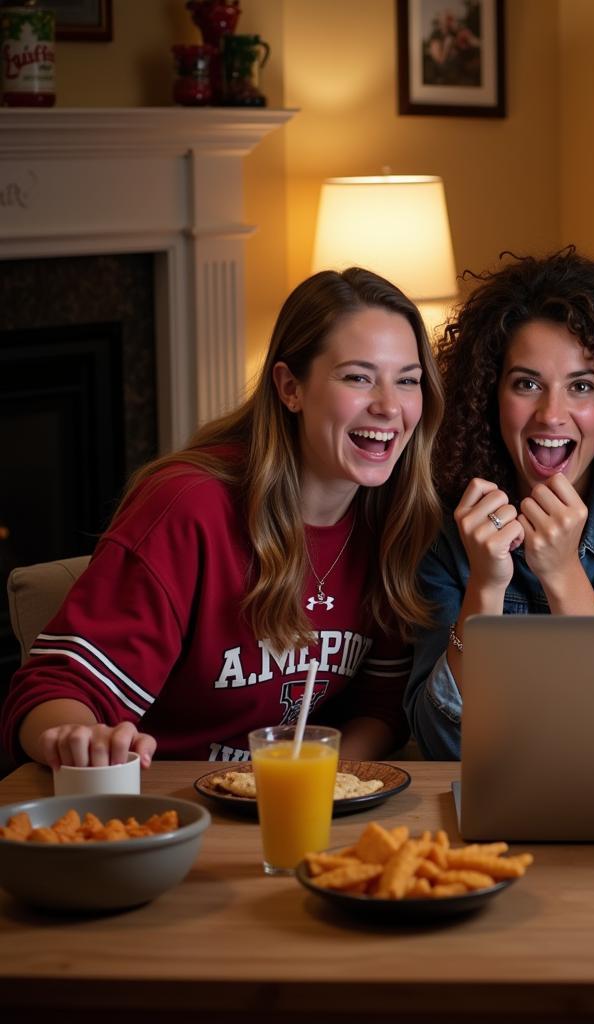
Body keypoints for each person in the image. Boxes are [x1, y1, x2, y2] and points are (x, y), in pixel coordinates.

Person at [1, 268, 443, 769]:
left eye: (408, 380)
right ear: (289, 387)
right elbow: (54, 689)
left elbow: (380, 709)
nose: (389, 406)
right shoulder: (189, 506)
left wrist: (311, 780)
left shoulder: (396, 518)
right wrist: (78, 741)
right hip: (167, 807)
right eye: (358, 377)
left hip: (295, 811)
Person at [405, 248, 594, 759]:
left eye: (581, 387)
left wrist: (563, 572)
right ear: (490, 395)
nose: (552, 414)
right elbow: (442, 743)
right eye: (527, 384)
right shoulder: (440, 510)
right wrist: (485, 585)